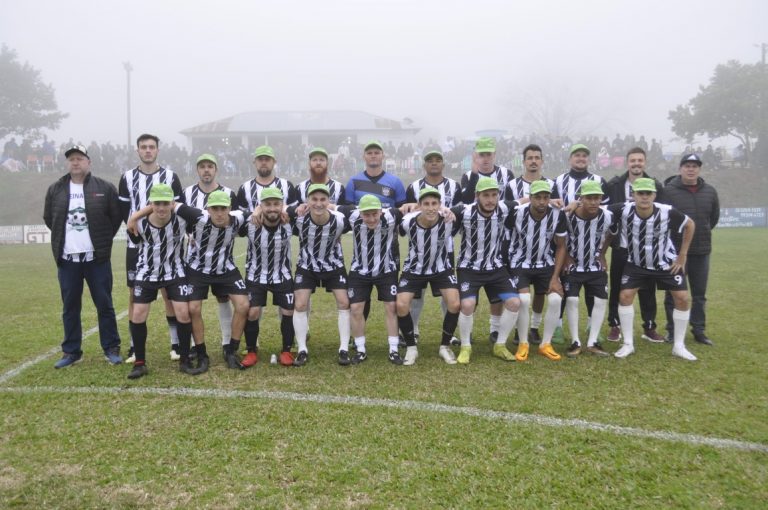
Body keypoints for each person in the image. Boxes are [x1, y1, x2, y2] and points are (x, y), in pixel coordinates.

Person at [130, 189, 250, 371]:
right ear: (208, 209)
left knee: (243, 305)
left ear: (229, 209)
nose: (219, 213)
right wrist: (134, 217)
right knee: (192, 309)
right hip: (197, 268)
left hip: (226, 268)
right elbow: (168, 204)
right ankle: (201, 354)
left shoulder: (238, 218)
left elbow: (258, 210)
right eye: (215, 208)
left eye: (223, 208)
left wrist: (264, 212)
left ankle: (231, 351)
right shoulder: (196, 216)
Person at [43, 144, 123, 368]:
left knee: (105, 305)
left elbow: (115, 217)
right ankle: (71, 352)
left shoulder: (104, 188)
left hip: (96, 259)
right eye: (72, 159)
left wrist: (102, 240)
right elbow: (49, 218)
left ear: (89, 162)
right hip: (68, 261)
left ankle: (111, 348)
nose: (75, 162)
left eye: (80, 158)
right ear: (67, 163)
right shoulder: (56, 189)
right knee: (70, 308)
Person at [608, 178, 698, 361]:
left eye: (648, 193)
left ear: (654, 195)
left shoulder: (667, 211)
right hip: (637, 264)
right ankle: (628, 344)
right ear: (633, 195)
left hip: (666, 263)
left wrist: (682, 255)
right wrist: (575, 204)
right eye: (640, 193)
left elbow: (690, 224)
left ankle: (679, 346)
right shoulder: (623, 209)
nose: (644, 197)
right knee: (625, 296)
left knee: (682, 298)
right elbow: (595, 208)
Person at [118, 134, 183, 362]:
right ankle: (134, 347)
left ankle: (176, 344)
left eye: (151, 147)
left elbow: (176, 206)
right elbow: (123, 212)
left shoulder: (170, 176)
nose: (147, 150)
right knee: (134, 294)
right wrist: (134, 226)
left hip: (167, 243)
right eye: (143, 147)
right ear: (137, 150)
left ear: (157, 150)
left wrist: (137, 215)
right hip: (136, 244)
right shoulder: (127, 177)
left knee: (169, 293)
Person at [124, 184, 196, 379]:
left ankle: (184, 360)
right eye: (157, 204)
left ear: (172, 203)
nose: (161, 208)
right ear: (151, 204)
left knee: (183, 312)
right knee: (138, 313)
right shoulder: (139, 224)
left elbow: (197, 220)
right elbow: (136, 242)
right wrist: (134, 217)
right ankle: (140, 363)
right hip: (147, 273)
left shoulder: (182, 220)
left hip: (175, 272)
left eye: (165, 203)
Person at [451, 177, 521, 364]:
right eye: (486, 195)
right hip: (469, 268)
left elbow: (523, 201)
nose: (490, 200)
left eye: (494, 195)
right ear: (477, 196)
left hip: (495, 267)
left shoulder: (504, 208)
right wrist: (442, 210)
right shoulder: (464, 212)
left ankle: (500, 345)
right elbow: (445, 211)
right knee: (467, 305)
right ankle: (466, 347)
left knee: (514, 302)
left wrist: (556, 202)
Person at [182, 153, 239, 361]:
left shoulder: (229, 193)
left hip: (222, 261)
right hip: (196, 261)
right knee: (193, 304)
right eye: (202, 166)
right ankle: (194, 346)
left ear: (216, 170)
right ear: (197, 170)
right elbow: (181, 219)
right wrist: (189, 235)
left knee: (223, 298)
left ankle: (227, 342)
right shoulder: (187, 193)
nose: (206, 170)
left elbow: (237, 221)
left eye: (210, 166)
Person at [605, 147, 665, 343]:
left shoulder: (655, 185)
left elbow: (664, 213)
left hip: (647, 248)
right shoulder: (615, 185)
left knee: (647, 289)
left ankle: (649, 326)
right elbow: (606, 211)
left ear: (645, 162)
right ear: (627, 162)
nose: (636, 164)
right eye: (633, 160)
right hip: (621, 247)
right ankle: (615, 325)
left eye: (640, 160)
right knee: (617, 287)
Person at [459, 137, 515, 344]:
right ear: (476, 156)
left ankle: (495, 329)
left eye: (488, 154)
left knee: (497, 292)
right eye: (481, 154)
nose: (485, 158)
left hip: (500, 239)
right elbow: (465, 202)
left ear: (494, 154)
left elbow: (512, 202)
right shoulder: (468, 176)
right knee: (469, 298)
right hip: (474, 238)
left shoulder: (506, 174)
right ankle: (467, 334)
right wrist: (474, 175)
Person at [550, 144, 608, 343]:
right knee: (564, 284)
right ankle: (558, 327)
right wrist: (571, 207)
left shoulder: (599, 180)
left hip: (592, 243)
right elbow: (555, 208)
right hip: (565, 241)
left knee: (593, 285)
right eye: (577, 155)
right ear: (570, 159)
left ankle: (592, 324)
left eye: (584, 155)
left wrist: (580, 203)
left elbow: (604, 210)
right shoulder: (558, 181)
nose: (581, 158)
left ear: (589, 159)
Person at [397, 187, 462, 364]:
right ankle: (411, 348)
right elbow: (392, 215)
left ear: (440, 205)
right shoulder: (407, 222)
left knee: (455, 303)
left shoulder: (448, 219)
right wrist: (405, 206)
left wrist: (449, 210)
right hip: (414, 268)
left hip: (441, 268)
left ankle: (444, 346)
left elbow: (467, 207)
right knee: (401, 305)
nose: (431, 208)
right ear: (419, 206)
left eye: (434, 204)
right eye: (426, 204)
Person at [403, 149, 462, 343]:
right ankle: (414, 329)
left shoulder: (454, 185)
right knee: (417, 295)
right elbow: (409, 213)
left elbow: (458, 213)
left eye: (438, 160)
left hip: (445, 249)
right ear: (424, 165)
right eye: (430, 160)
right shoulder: (414, 187)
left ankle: (449, 334)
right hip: (419, 250)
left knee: (448, 295)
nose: (434, 163)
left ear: (443, 164)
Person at [289, 184, 351, 367]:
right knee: (300, 304)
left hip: (334, 265)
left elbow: (357, 211)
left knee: (344, 302)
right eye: (314, 199)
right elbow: (280, 209)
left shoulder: (339, 220)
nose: (318, 203)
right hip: (307, 266)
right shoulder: (299, 219)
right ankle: (302, 349)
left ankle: (344, 348)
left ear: (328, 201)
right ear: (307, 201)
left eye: (323, 199)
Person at [337, 194, 403, 365]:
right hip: (360, 271)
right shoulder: (352, 214)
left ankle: (394, 350)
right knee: (356, 308)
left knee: (391, 307)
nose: (371, 219)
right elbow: (330, 207)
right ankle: (360, 350)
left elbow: (411, 209)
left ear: (381, 211)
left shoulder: (392, 215)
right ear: (360, 213)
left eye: (375, 214)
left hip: (386, 270)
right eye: (367, 215)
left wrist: (444, 210)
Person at [661, 153, 719, 346]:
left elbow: (713, 218)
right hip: (675, 253)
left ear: (699, 169)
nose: (691, 169)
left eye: (694, 166)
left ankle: (699, 331)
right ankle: (672, 330)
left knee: (699, 294)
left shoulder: (710, 191)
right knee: (673, 293)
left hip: (701, 251)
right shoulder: (668, 191)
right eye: (687, 166)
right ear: (680, 169)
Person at [505, 180, 567, 361]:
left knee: (556, 299)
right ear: (530, 198)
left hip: (545, 263)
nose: (542, 201)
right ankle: (523, 342)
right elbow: (505, 237)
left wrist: (555, 277)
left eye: (545, 197)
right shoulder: (517, 213)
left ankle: (545, 344)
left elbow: (561, 246)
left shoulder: (558, 214)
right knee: (524, 300)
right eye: (537, 197)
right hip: (520, 262)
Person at [504, 144, 555, 345]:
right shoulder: (511, 185)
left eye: (537, 157)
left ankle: (534, 327)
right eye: (530, 158)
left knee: (541, 293)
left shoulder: (551, 184)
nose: (533, 161)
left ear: (542, 161)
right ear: (524, 161)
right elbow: (507, 213)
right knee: (522, 295)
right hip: (519, 251)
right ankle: (520, 330)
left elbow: (557, 209)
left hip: (544, 251)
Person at [240, 187, 296, 367]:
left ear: (282, 205)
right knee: (252, 312)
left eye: (276, 204)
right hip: (256, 275)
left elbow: (307, 210)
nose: (272, 208)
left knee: (288, 311)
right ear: (260, 206)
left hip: (282, 274)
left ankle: (286, 350)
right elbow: (229, 217)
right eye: (267, 204)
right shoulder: (250, 222)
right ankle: (251, 351)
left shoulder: (290, 221)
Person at [561, 181, 613, 357]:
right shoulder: (569, 216)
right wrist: (566, 257)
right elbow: (559, 237)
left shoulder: (607, 216)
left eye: (596, 198)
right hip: (574, 266)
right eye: (589, 198)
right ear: (581, 198)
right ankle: (575, 341)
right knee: (572, 300)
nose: (593, 202)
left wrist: (602, 254)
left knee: (600, 300)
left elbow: (612, 233)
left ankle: (593, 342)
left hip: (594, 266)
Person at [345, 140, 407, 207]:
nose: (373, 156)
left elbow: (402, 210)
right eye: (369, 153)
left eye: (377, 153)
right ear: (363, 157)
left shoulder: (396, 182)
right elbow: (348, 210)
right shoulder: (353, 181)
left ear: (383, 156)